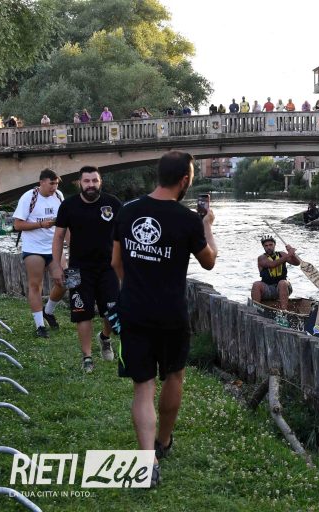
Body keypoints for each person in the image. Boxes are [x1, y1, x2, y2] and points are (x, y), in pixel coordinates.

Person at [112, 151, 217, 488]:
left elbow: (116, 263)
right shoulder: (188, 220)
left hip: (134, 310)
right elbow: (209, 262)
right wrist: (207, 225)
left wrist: (132, 290)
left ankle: (148, 460)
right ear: (185, 181)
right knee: (174, 375)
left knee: (143, 387)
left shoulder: (127, 212)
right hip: (171, 313)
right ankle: (164, 441)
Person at [51, 166, 121, 373]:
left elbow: (125, 233)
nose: (91, 185)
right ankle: (87, 357)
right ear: (79, 183)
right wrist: (56, 266)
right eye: (87, 181)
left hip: (108, 267)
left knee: (112, 311)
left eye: (94, 181)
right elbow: (58, 237)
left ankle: (105, 338)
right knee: (82, 313)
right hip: (76, 269)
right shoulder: (68, 206)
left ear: (100, 182)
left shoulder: (113, 203)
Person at [12, 169, 67, 338]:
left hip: (54, 247)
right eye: (51, 183)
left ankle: (48, 311)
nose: (54, 187)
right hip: (34, 248)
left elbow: (65, 223)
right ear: (41, 182)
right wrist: (41, 225)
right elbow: (17, 225)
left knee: (65, 281)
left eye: (56, 184)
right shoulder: (29, 197)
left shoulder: (59, 196)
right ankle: (40, 326)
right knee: (36, 285)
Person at [251, 235, 301, 311]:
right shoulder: (261, 258)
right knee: (256, 284)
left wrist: (292, 254)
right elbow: (272, 264)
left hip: (283, 287)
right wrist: (289, 255)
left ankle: (284, 311)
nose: (269, 247)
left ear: (274, 245)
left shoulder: (282, 254)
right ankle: (255, 309)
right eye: (266, 246)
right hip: (268, 288)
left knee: (282, 283)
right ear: (263, 247)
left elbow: (297, 263)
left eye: (271, 245)